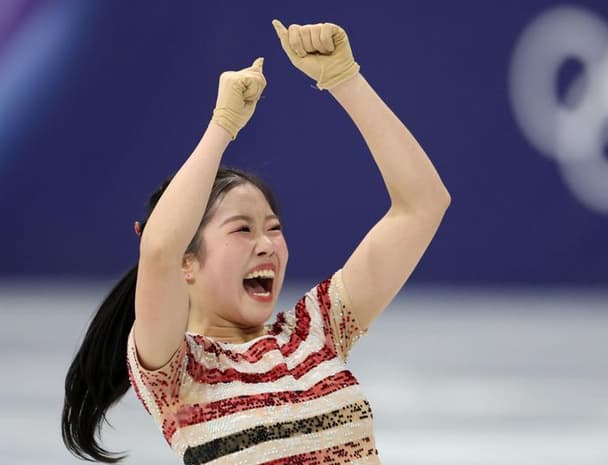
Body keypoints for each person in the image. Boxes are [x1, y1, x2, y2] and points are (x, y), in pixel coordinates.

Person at [61, 19, 450, 464]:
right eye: (243, 229)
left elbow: (423, 205)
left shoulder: (316, 331)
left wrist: (345, 79)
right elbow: (158, 249)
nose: (266, 244)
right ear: (188, 262)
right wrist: (221, 126)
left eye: (274, 228)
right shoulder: (178, 372)